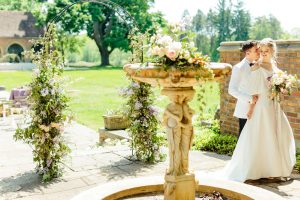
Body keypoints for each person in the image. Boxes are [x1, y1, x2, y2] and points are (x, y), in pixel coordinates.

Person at [221, 38, 296, 182]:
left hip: (274, 105)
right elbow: (253, 91)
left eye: (266, 51)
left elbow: (279, 87)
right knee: (261, 136)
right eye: (261, 51)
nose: (263, 53)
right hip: (261, 106)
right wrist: (251, 109)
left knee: (278, 135)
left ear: (273, 51)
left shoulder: (274, 66)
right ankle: (257, 168)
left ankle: (273, 169)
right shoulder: (256, 67)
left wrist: (283, 87)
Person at [228, 40, 260, 138]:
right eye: (256, 50)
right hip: (245, 109)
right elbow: (232, 90)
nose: (259, 51)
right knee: (244, 139)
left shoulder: (259, 65)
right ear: (248, 53)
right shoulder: (238, 68)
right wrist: (250, 98)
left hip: (259, 108)